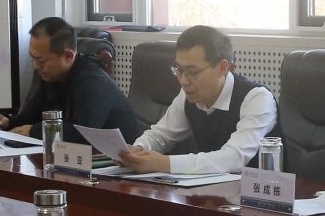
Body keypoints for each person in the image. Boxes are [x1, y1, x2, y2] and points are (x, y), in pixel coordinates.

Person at [117, 24, 276, 175]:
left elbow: (234, 158)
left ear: (222, 68)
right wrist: (138, 151)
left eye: (192, 72)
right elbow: (160, 136)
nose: (183, 81)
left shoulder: (257, 99)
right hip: (211, 189)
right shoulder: (188, 94)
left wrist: (163, 163)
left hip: (259, 191)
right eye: (179, 70)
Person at [0, 16, 141, 146]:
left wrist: (33, 131)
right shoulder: (51, 76)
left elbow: (83, 135)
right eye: (33, 58)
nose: (36, 66)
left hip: (113, 162)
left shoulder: (93, 82)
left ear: (68, 56)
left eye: (41, 60)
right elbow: (30, 117)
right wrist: (7, 121)